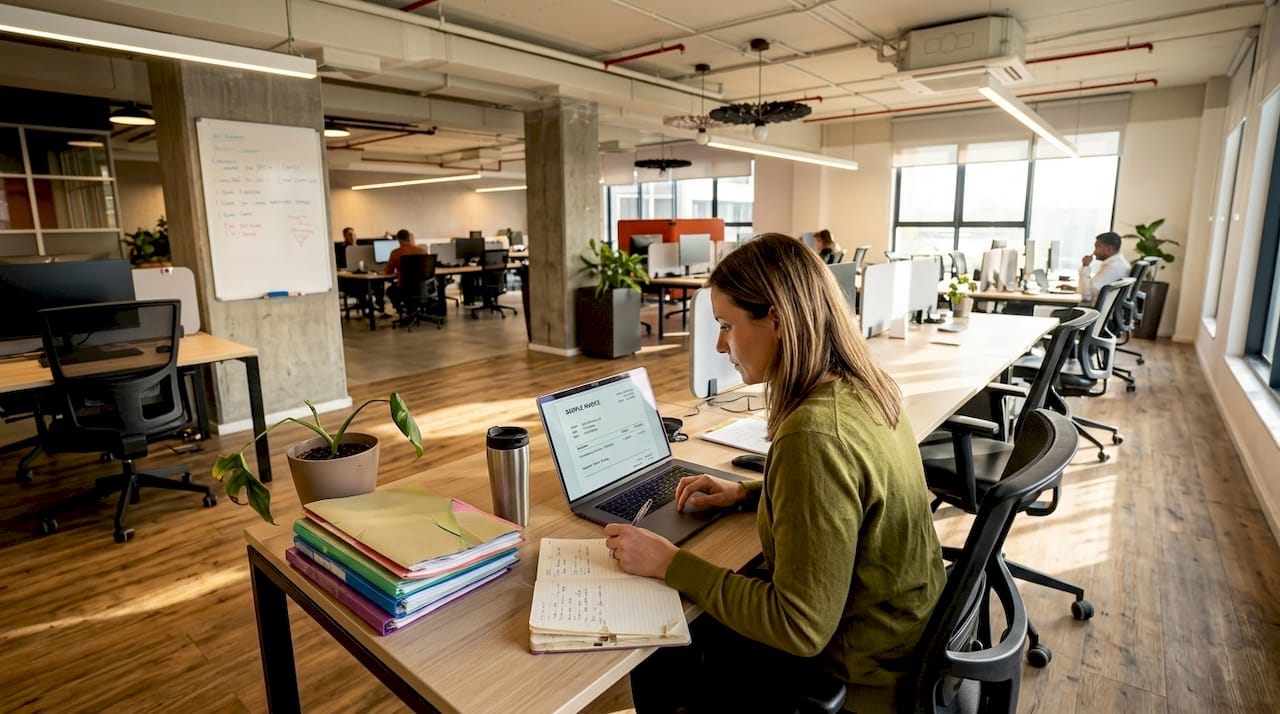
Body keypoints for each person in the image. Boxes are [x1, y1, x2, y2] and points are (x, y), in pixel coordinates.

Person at [605, 233, 945, 713]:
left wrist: (669, 563)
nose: (721, 344)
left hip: (864, 675)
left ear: (778, 320)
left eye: (726, 325)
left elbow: (800, 627)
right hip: (903, 633)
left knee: (662, 634)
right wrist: (746, 493)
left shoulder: (812, 435)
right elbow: (849, 494)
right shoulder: (863, 385)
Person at [383, 228, 428, 315]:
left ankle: (400, 309)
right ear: (409, 238)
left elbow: (388, 272)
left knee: (390, 290)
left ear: (399, 240)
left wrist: (398, 272)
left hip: (404, 289)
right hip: (422, 288)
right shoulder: (422, 251)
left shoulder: (396, 253)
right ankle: (414, 309)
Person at [1078, 230, 1130, 301]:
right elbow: (1092, 289)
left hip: (1094, 309)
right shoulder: (1118, 263)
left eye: (1097, 247)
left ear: (1109, 249)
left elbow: (1087, 296)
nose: (1094, 252)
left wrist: (1085, 266)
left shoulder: (1113, 267)